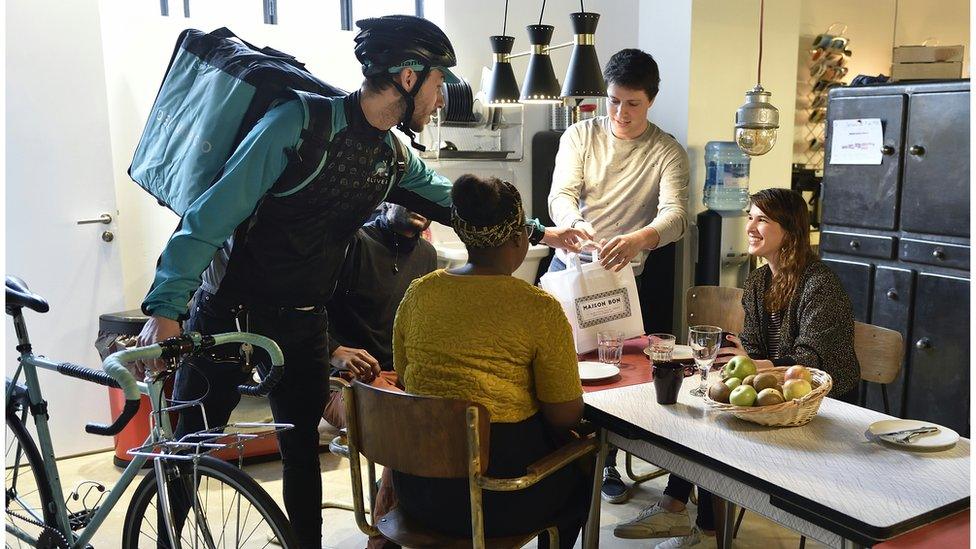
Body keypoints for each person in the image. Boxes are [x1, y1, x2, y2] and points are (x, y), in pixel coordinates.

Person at [135, 16, 589, 548]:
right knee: (190, 450)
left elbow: (454, 199)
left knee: (301, 455)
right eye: (439, 83)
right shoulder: (299, 124)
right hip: (227, 315)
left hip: (303, 320)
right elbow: (209, 218)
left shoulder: (389, 153)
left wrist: (541, 232)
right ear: (406, 77)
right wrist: (166, 310)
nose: (441, 98)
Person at [614, 188, 860, 549]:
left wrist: (760, 363)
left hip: (820, 402)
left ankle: (693, 519)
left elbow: (812, 363)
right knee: (704, 413)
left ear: (790, 231)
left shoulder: (820, 284)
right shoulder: (760, 280)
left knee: (715, 427)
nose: (750, 226)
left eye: (762, 219)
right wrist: (751, 356)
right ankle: (687, 514)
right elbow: (757, 347)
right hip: (775, 392)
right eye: (750, 216)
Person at [391, 174, 591, 549]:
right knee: (584, 469)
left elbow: (406, 375)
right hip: (498, 496)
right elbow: (565, 416)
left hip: (418, 489)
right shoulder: (537, 307)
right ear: (519, 238)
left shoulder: (421, 293)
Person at [547, 47, 690, 504]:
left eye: (632, 103)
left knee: (611, 369)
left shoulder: (666, 151)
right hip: (568, 263)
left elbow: (677, 215)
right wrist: (574, 223)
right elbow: (561, 194)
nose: (620, 113)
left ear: (651, 100)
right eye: (613, 101)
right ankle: (559, 458)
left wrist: (637, 239)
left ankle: (604, 462)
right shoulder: (579, 135)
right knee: (557, 365)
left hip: (620, 274)